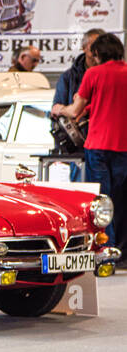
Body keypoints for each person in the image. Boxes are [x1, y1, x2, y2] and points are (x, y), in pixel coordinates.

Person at [52, 32, 127, 247]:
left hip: (98, 146)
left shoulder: (93, 73)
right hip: (124, 146)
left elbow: (74, 110)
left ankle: (105, 249)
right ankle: (120, 251)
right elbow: (114, 103)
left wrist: (60, 108)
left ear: (96, 53)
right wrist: (92, 108)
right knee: (120, 199)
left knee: (103, 199)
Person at [54, 28, 105, 106]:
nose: (98, 49)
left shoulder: (111, 75)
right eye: (94, 45)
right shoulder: (68, 77)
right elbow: (57, 110)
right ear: (84, 47)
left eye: (102, 46)